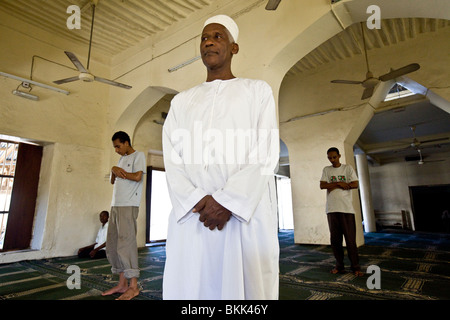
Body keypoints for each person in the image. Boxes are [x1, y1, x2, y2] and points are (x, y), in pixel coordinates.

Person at [162, 14, 280, 299]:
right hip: (194, 217)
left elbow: (265, 151)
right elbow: (172, 156)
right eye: (204, 38)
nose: (209, 42)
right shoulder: (181, 101)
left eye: (217, 36)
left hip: (243, 218)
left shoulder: (257, 91)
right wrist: (197, 200)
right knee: (191, 289)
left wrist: (227, 201)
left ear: (234, 47)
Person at [102, 131, 146, 300]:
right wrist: (114, 169)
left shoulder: (138, 156)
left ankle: (133, 287)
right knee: (114, 244)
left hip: (129, 206)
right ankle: (122, 284)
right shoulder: (121, 159)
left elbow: (137, 177)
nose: (116, 150)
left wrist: (120, 171)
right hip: (116, 206)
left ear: (126, 143)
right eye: (114, 147)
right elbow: (113, 181)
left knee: (126, 244)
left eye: (118, 146)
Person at [320, 147, 363, 276]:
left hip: (347, 210)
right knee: (335, 241)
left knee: (350, 241)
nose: (332, 160)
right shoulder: (326, 170)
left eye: (334, 157)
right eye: (329, 158)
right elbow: (322, 185)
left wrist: (335, 185)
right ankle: (339, 266)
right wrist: (339, 183)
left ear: (339, 156)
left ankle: (355, 267)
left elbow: (355, 184)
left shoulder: (347, 168)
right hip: (332, 210)